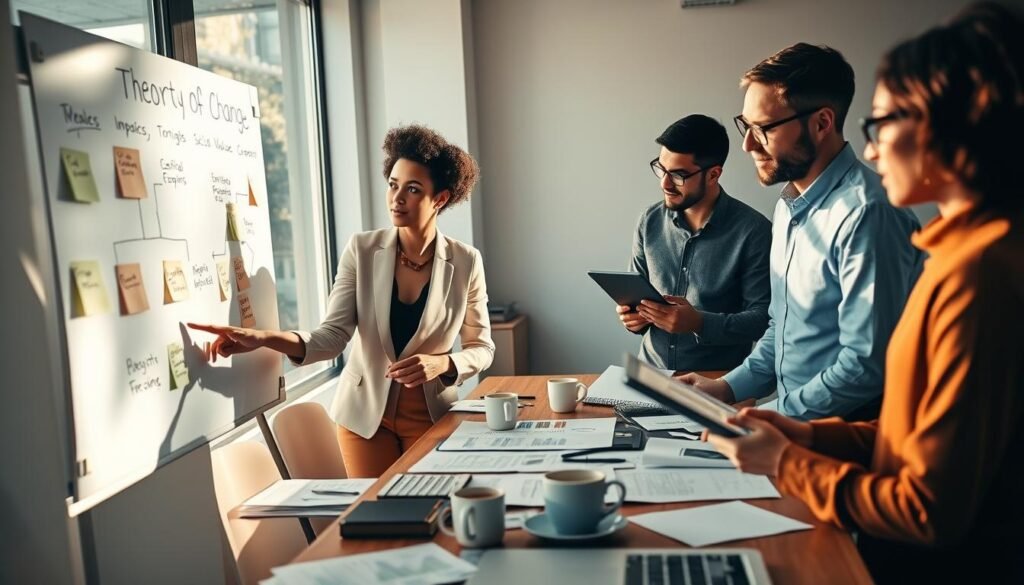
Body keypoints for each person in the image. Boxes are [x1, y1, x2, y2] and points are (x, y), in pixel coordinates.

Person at [706, 3, 1024, 582]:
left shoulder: (977, 271)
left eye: (880, 126)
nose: (872, 150)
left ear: (946, 125)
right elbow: (913, 428)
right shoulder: (956, 255)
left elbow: (927, 507)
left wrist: (787, 456)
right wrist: (800, 433)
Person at [190, 125, 494, 477]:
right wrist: (264, 338)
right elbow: (332, 337)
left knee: (430, 508)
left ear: (439, 199)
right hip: (364, 420)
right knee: (375, 519)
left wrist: (444, 364)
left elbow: (482, 347)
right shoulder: (362, 251)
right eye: (393, 185)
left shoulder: (466, 261)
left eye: (412, 189)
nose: (397, 198)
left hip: (430, 416)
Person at [680, 43, 923, 420]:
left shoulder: (868, 213)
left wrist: (774, 417)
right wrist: (726, 388)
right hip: (792, 431)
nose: (746, 145)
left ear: (822, 123)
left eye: (762, 129)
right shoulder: (788, 206)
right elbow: (784, 326)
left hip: (846, 443)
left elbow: (865, 365)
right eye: (745, 126)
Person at [617, 115, 771, 372]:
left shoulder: (753, 231)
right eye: (661, 169)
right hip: (649, 376)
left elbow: (763, 320)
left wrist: (699, 323)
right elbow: (638, 296)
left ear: (713, 174)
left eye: (678, 175)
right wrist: (633, 317)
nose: (664, 183)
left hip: (720, 386)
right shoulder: (649, 220)